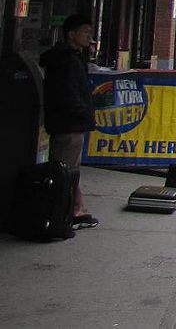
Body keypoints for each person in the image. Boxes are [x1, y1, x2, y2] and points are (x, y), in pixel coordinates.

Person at [40, 14, 97, 230]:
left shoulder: (70, 58)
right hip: (68, 124)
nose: (89, 37)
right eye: (85, 32)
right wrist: (83, 114)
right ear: (71, 34)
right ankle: (65, 213)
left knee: (70, 170)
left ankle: (76, 209)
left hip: (69, 123)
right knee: (65, 170)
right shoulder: (66, 61)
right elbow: (69, 95)